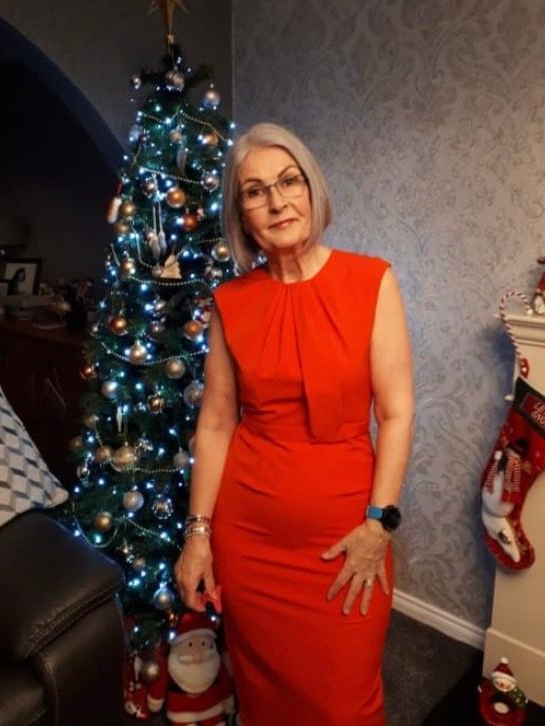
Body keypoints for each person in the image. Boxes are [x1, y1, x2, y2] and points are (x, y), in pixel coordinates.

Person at [175, 122, 414, 725]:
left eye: (289, 181)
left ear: (312, 189)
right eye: (255, 192)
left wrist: (379, 524)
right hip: (249, 542)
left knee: (344, 704)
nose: (277, 201)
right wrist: (198, 534)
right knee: (264, 697)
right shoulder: (231, 303)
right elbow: (216, 425)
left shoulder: (371, 281)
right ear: (242, 215)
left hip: (347, 537)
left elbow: (396, 413)